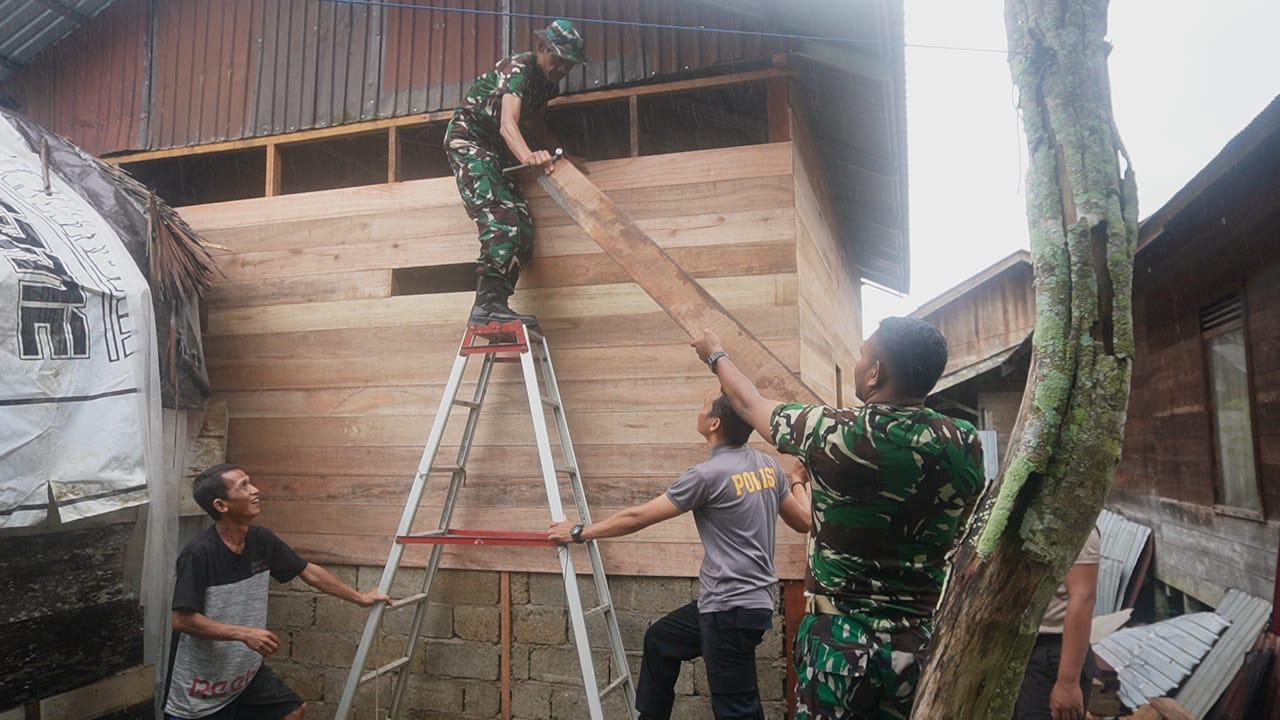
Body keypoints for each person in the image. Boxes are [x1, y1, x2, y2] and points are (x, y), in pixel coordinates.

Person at [691, 318, 986, 720]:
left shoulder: (831, 431)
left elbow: (748, 403)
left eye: (863, 353)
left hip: (837, 645)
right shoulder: (964, 442)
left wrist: (715, 354)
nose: (858, 360)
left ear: (876, 372)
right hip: (916, 642)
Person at [548, 390, 812, 719]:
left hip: (729, 610)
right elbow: (804, 521)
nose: (699, 409)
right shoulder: (767, 467)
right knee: (660, 641)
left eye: (704, 405)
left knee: (737, 709)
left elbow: (638, 517)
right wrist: (799, 482)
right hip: (745, 603)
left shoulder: (706, 475)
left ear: (714, 423)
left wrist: (580, 532)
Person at [164, 464, 390, 720]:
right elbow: (182, 619)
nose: (255, 490)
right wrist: (243, 633)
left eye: (250, 482)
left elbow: (307, 571)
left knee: (293, 711)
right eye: (244, 486)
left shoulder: (262, 540)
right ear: (221, 505)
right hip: (200, 687)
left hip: (244, 676)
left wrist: (360, 598)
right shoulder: (198, 554)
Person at [444, 19, 587, 327]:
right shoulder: (518, 69)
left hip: (494, 152)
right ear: (541, 48)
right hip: (469, 140)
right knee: (501, 219)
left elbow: (535, 124)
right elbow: (509, 122)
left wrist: (562, 154)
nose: (563, 69)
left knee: (522, 229)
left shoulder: (548, 83)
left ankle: (496, 303)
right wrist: (528, 155)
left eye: (569, 65)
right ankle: (486, 307)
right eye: (559, 60)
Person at [1014, 526, 1101, 720]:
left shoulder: (1076, 525)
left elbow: (1083, 597)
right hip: (1020, 648)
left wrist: (1067, 682)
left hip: (1054, 654)